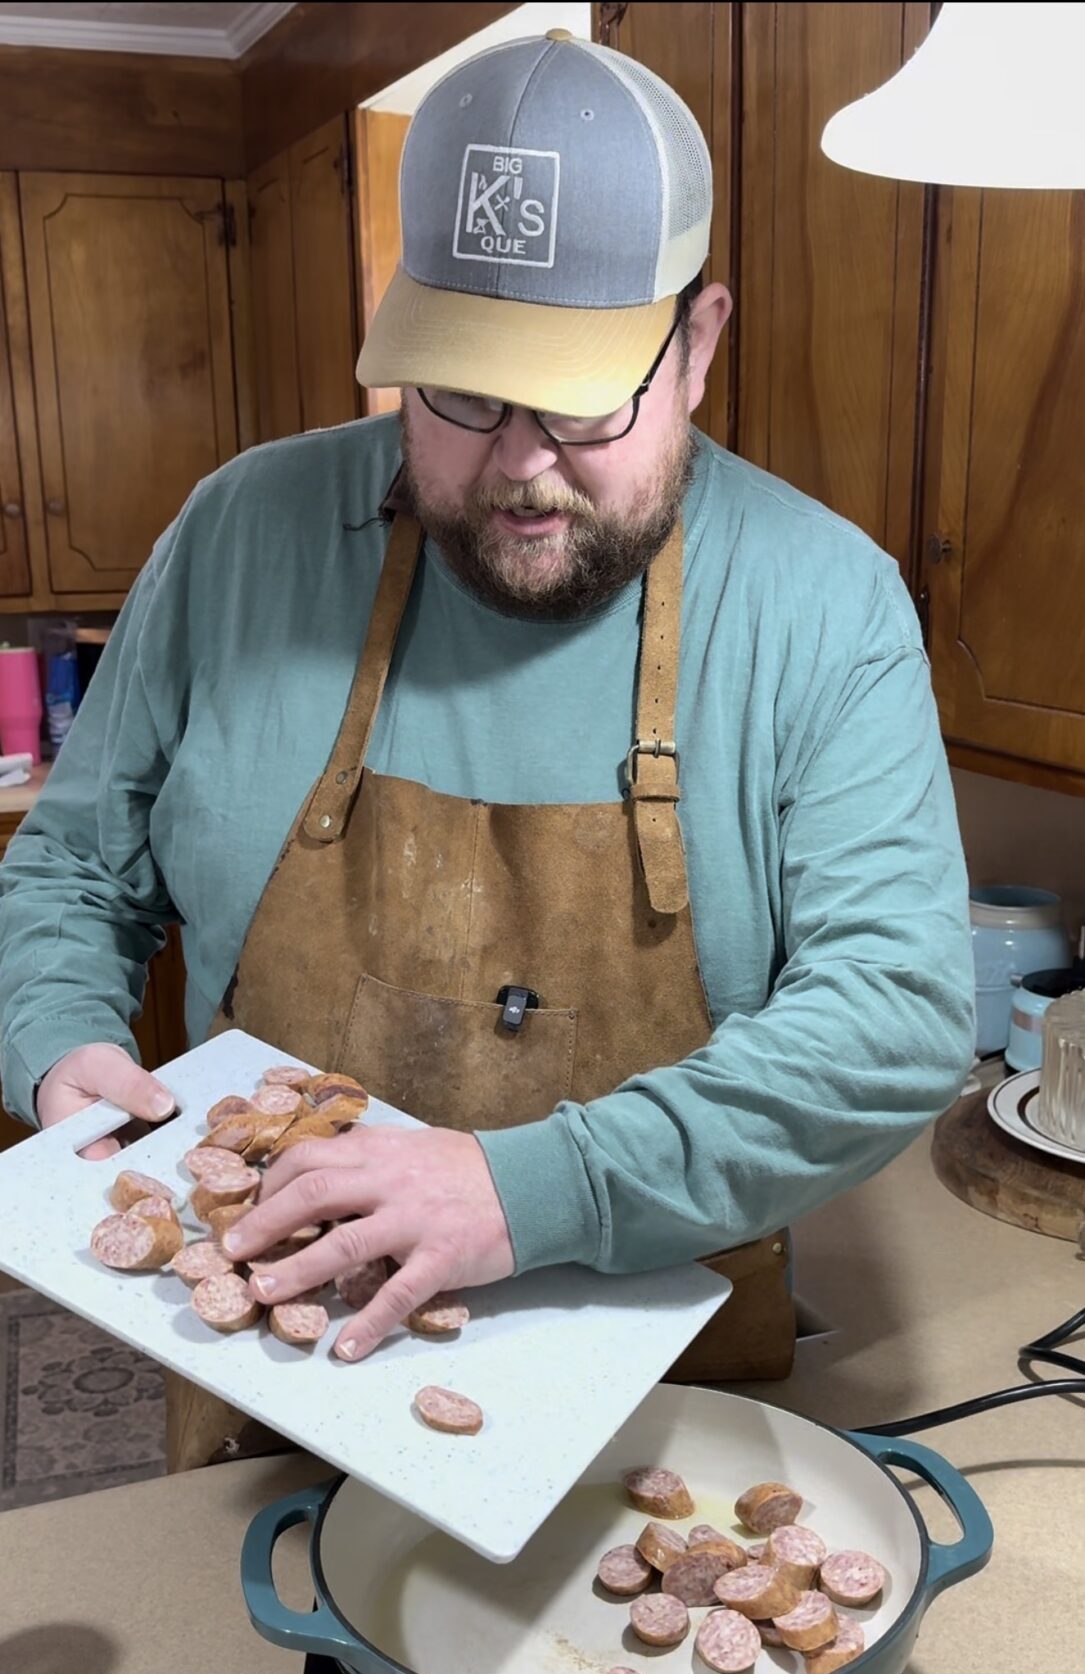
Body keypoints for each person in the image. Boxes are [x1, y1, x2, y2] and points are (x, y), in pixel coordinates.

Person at [0, 30, 974, 1467]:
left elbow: (892, 1017)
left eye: (581, 400)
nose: (516, 461)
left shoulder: (821, 603)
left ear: (697, 343)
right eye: (457, 394)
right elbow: (77, 866)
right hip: (275, 1351)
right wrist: (57, 1037)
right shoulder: (241, 533)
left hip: (657, 1415)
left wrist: (527, 1189)